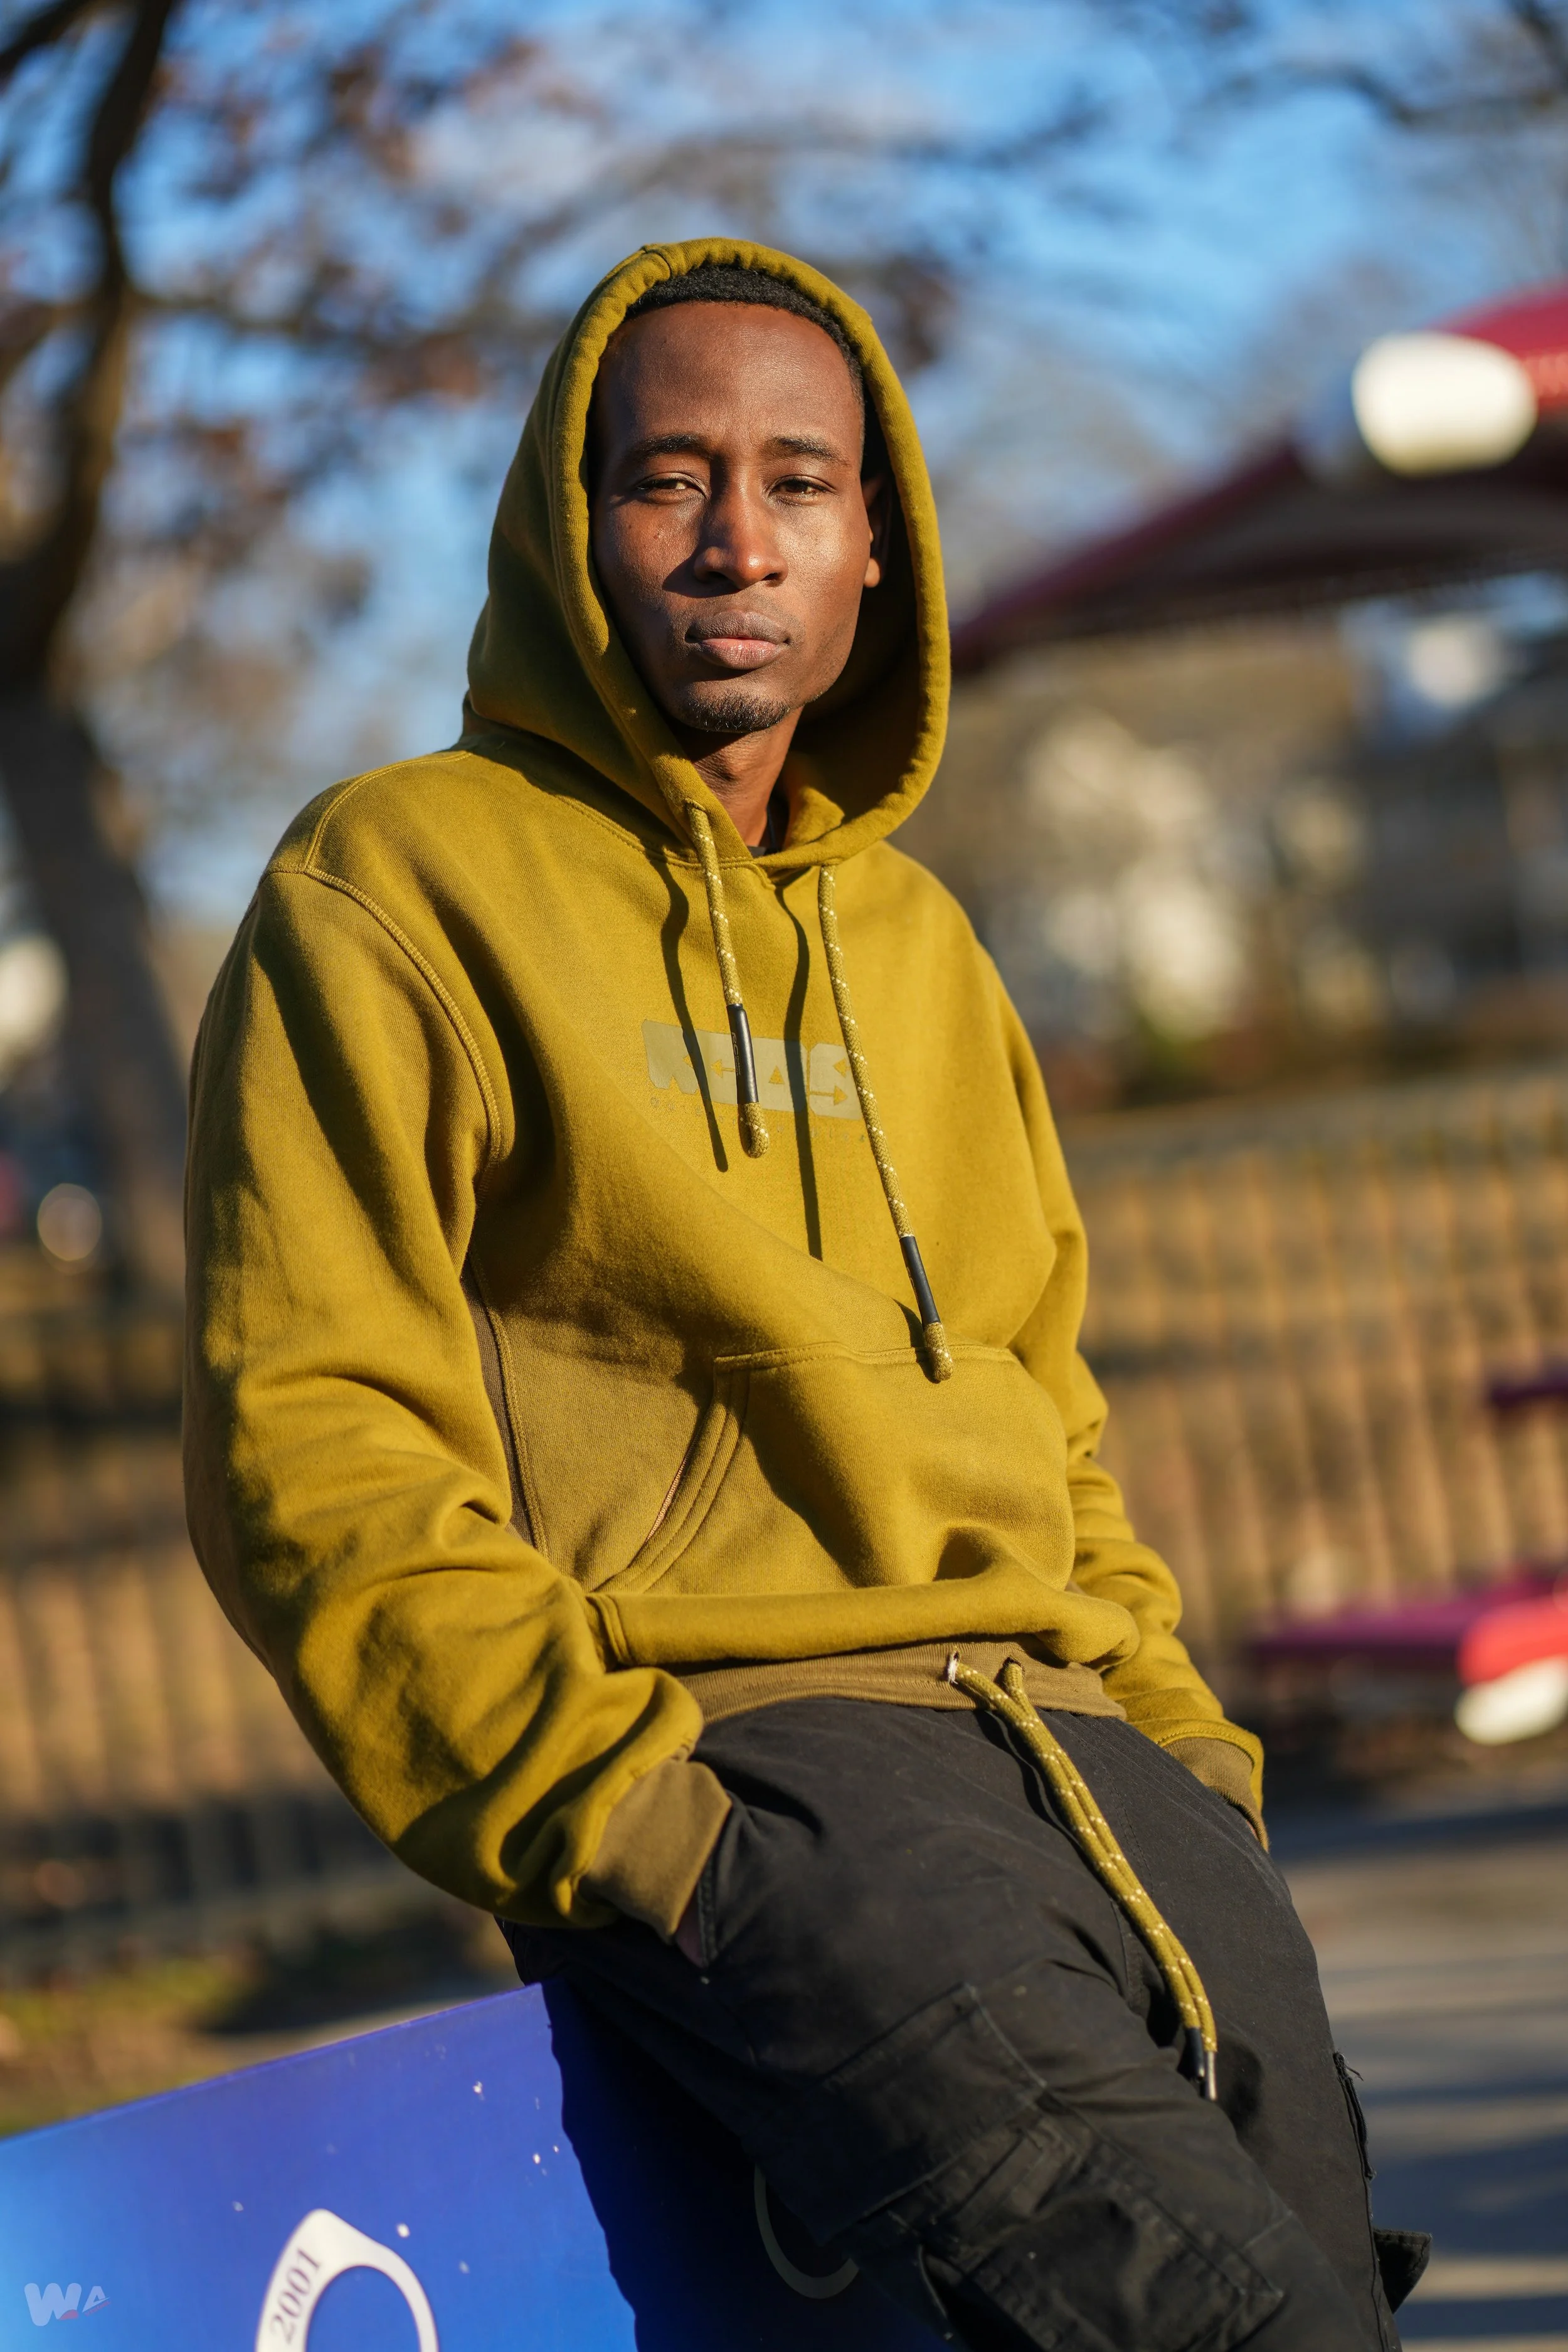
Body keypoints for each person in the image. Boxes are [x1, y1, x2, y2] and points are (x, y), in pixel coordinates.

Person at [184, 239, 1422, 2349]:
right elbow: (312, 1431)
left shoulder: (926, 945)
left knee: (1318, 2284)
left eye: (797, 482)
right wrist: (637, 1825)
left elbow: (1049, 1400)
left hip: (1099, 1775)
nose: (734, 541)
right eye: (666, 479)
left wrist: (1184, 1748)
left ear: (877, 547)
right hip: (763, 1780)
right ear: (570, 530)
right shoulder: (391, 885)